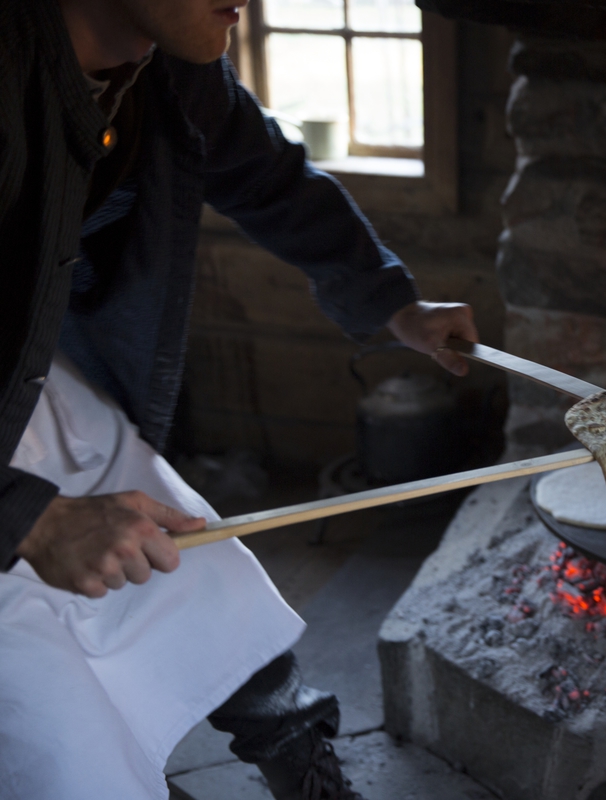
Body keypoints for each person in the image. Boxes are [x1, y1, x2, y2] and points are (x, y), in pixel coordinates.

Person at [0, 0, 478, 797]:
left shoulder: (167, 70)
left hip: (22, 378)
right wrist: (32, 518)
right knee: (54, 725)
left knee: (187, 554)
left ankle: (296, 759)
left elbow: (270, 178)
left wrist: (396, 305)